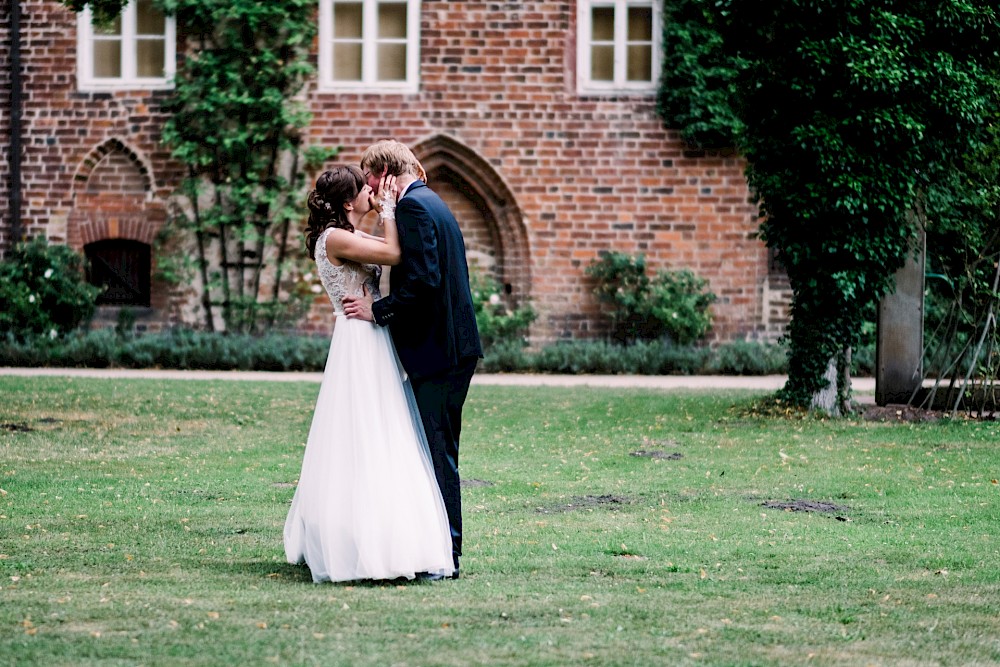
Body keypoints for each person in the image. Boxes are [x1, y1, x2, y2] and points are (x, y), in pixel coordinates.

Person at [283, 165, 455, 583]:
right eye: (365, 190)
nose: (372, 192)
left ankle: (380, 533)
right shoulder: (337, 238)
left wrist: (383, 213)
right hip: (359, 339)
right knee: (366, 429)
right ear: (348, 201)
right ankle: (364, 541)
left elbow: (385, 250)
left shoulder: (349, 235)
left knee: (379, 427)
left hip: (369, 334)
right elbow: (394, 254)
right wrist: (392, 208)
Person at [343, 140, 483, 580]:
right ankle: (440, 547)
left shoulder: (414, 209)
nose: (367, 185)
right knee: (437, 449)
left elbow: (424, 280)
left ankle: (447, 554)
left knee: (437, 451)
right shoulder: (431, 201)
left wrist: (377, 310)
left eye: (369, 176)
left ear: (384, 174)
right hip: (451, 347)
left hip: (440, 350)